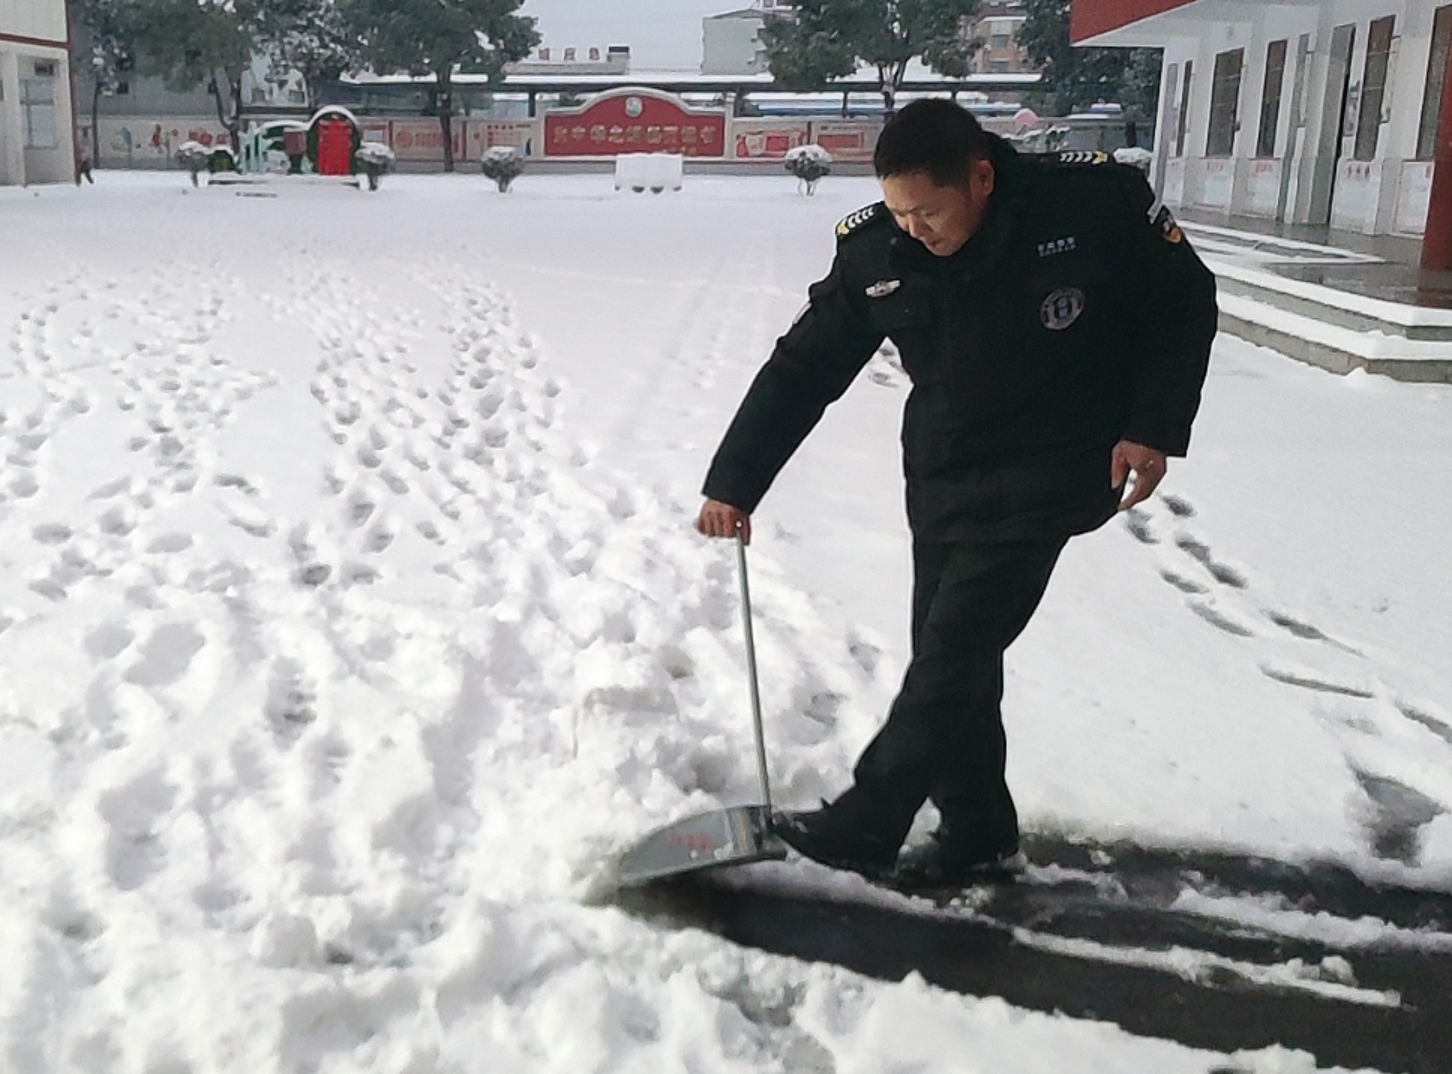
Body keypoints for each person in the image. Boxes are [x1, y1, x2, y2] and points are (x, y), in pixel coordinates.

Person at [694, 99, 1218, 890]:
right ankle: (977, 833)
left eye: (928, 212)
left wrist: (1153, 424)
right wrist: (735, 482)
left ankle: (869, 820)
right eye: (900, 212)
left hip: (1058, 461)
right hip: (946, 472)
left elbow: (1183, 301)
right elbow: (804, 367)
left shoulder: (1087, 207)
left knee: (954, 653)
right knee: (952, 660)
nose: (913, 230)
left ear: (980, 179)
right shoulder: (877, 251)